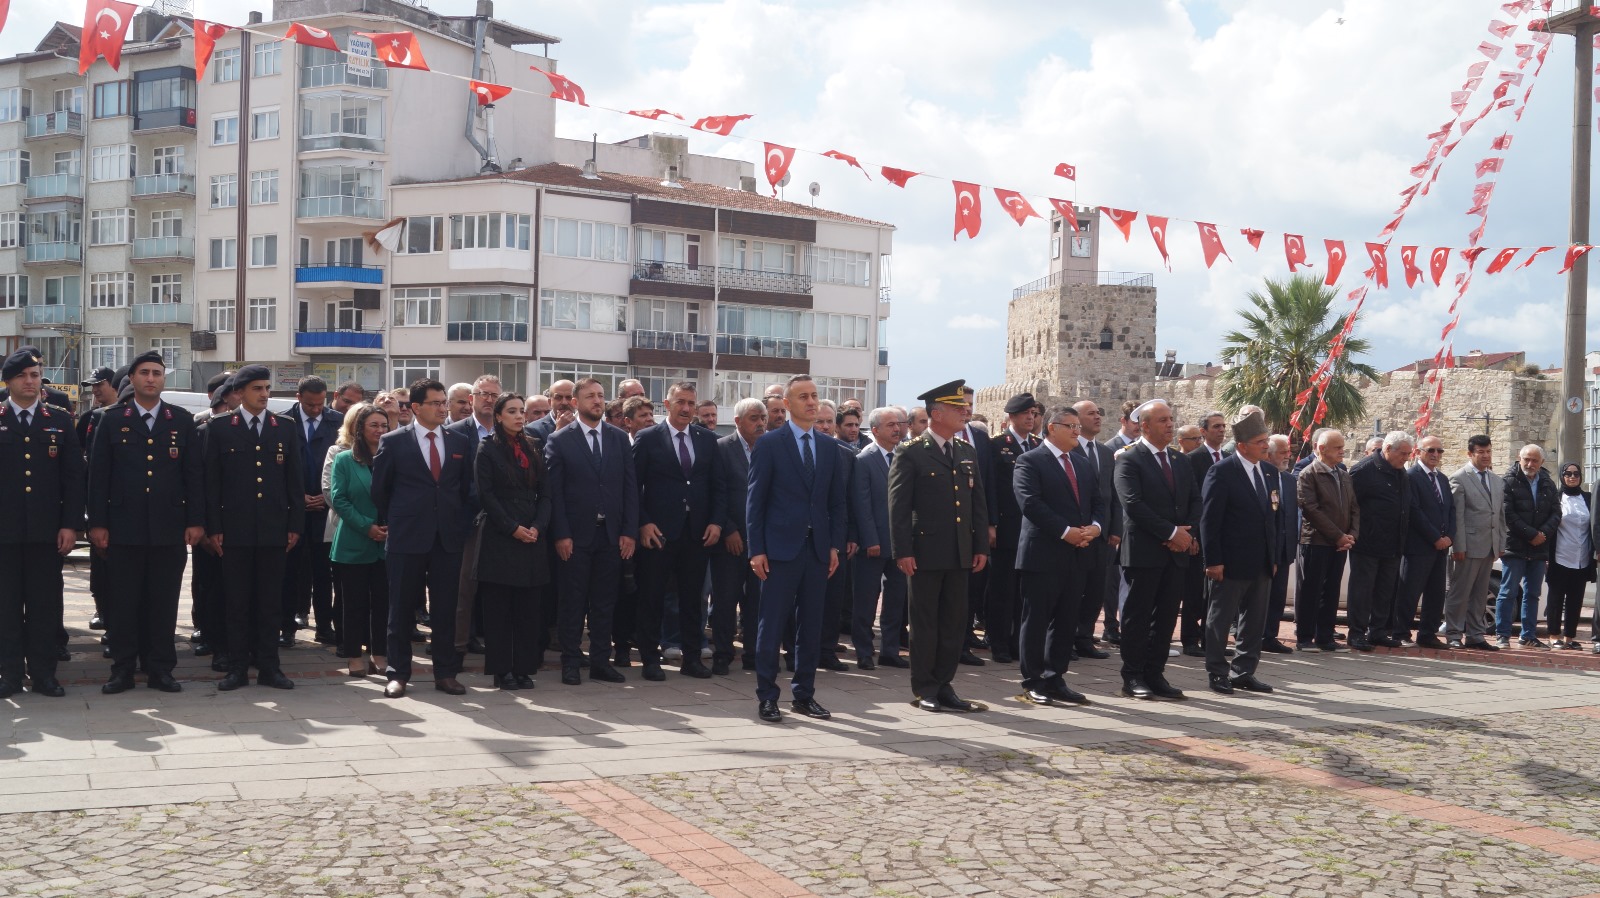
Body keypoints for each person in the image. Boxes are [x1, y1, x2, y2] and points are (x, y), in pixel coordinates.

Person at [88, 350, 205, 694]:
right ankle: (122, 669)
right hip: (124, 528)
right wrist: (97, 523)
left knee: (163, 602)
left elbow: (193, 477)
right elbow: (98, 477)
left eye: (157, 372)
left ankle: (161, 670)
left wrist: (196, 521)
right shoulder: (111, 419)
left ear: (163, 378)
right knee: (124, 603)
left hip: (169, 529)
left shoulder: (181, 420)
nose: (151, 378)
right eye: (144, 373)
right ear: (132, 379)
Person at [748, 374, 847, 723]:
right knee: (771, 624)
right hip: (778, 549)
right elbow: (755, 500)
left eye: (815, 396)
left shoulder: (830, 447)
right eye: (803, 397)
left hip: (817, 550)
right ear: (787, 404)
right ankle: (767, 696)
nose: (811, 402)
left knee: (811, 626)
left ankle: (804, 695)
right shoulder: (770, 444)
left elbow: (836, 503)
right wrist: (756, 549)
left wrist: (834, 545)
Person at [371, 378, 478, 697]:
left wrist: (458, 523)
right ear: (416, 407)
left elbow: (467, 489)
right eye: (436, 403)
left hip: (448, 538)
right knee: (400, 607)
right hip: (407, 537)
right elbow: (381, 491)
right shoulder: (393, 442)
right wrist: (403, 518)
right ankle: (398, 673)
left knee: (445, 608)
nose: (443, 408)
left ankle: (445, 673)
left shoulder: (458, 441)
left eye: (445, 402)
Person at [889, 379, 991, 713]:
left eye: (964, 407)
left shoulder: (965, 451)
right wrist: (902, 551)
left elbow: (977, 503)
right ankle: (925, 688)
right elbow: (899, 507)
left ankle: (945, 684)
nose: (965, 412)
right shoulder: (912, 451)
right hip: (924, 553)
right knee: (925, 624)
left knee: (954, 622)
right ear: (936, 412)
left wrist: (979, 546)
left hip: (960, 552)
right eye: (957, 407)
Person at [203, 365, 305, 692]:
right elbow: (211, 484)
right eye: (257, 388)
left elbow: (294, 482)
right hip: (234, 531)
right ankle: (236, 668)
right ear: (240, 393)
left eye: (266, 388)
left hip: (274, 531)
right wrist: (214, 527)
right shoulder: (219, 428)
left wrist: (294, 525)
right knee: (236, 601)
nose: (264, 394)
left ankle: (269, 667)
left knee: (270, 602)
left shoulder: (285, 427)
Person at [0, 348, 83, 698]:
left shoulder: (59, 419)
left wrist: (70, 525)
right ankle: (9, 675)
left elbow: (73, 479)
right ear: (8, 382)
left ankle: (44, 674)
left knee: (44, 607)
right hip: (4, 533)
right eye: (23, 376)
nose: (30, 382)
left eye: (35, 375)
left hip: (47, 532)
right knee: (5, 607)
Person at [546, 378, 637, 685]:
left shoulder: (617, 438)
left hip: (610, 535)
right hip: (575, 536)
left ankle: (601, 661)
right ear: (575, 402)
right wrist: (561, 534)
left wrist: (629, 531)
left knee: (604, 601)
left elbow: (629, 488)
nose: (597, 401)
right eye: (590, 396)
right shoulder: (560, 440)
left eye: (601, 395)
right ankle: (571, 662)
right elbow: (553, 493)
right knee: (572, 602)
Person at [632, 382, 725, 680]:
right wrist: (643, 522)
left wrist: (716, 522)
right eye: (680, 402)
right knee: (652, 597)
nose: (686, 408)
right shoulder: (647, 438)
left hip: (697, 532)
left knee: (692, 598)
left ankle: (692, 658)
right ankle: (650, 659)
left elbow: (718, 486)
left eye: (691, 403)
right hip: (658, 532)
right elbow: (633, 487)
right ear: (667, 403)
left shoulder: (708, 439)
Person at [1013, 405, 1102, 705]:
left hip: (1078, 553)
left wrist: (1095, 528)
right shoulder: (1030, 461)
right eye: (1071, 426)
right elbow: (1030, 504)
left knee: (1067, 619)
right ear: (1052, 427)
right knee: (1037, 619)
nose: (1078, 432)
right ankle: (1033, 679)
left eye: (1078, 426)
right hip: (1043, 554)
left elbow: (1097, 501)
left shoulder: (1082, 463)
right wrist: (1066, 532)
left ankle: (1056, 677)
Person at [1113, 399, 1197, 700]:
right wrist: (1172, 533)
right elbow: (1133, 504)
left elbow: (1194, 501)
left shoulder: (1179, 460)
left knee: (1165, 617)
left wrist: (1187, 533)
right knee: (1138, 617)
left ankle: (1155, 673)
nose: (1170, 425)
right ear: (1144, 426)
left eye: (1171, 419)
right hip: (1144, 551)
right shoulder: (1129, 459)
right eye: (1162, 420)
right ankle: (1132, 675)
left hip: (1175, 554)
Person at [474, 393, 552, 690]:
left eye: (522, 411)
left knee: (528, 609)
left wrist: (537, 526)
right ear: (498, 416)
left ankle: (523, 667)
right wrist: (512, 528)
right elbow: (486, 495)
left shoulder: (534, 446)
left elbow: (546, 493)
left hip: (532, 534)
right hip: (500, 534)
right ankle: (501, 669)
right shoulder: (487, 448)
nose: (519, 416)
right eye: (512, 411)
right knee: (499, 609)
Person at [1198, 410, 1278, 695]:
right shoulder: (1221, 471)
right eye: (1260, 441)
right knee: (1220, 620)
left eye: (1266, 440)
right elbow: (1210, 521)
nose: (1265, 446)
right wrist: (1214, 560)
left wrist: (1274, 558)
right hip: (1230, 563)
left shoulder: (1268, 471)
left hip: (1261, 562)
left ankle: (1244, 671)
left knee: (1254, 621)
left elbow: (1272, 518)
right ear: (1242, 446)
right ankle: (1217, 671)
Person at [328, 403, 390, 677]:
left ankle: (380, 653)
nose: (379, 430)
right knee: (354, 604)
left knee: (383, 604)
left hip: (388, 544)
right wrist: (367, 527)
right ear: (360, 430)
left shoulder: (393, 456)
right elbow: (339, 498)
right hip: (354, 541)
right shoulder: (344, 459)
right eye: (373, 425)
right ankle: (354, 654)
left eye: (383, 425)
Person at [284, 376, 344, 647]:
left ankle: (324, 626)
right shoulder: (283, 422)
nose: (316, 409)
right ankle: (286, 627)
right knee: (290, 571)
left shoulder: (338, 422)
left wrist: (326, 496)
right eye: (310, 405)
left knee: (324, 571)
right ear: (299, 398)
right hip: (293, 509)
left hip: (326, 508)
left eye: (320, 404)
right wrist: (297, 497)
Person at [852, 406, 910, 669]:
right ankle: (864, 651)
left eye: (898, 424)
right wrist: (870, 539)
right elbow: (861, 505)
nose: (897, 429)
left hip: (900, 544)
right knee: (866, 600)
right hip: (873, 544)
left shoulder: (905, 456)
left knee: (896, 599)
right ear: (875, 430)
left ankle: (890, 651)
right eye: (890, 425)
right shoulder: (865, 459)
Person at [711, 398, 766, 674]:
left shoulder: (770, 448)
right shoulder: (721, 448)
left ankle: (754, 655)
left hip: (761, 542)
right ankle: (722, 653)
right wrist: (728, 528)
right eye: (754, 418)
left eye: (762, 418)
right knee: (724, 601)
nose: (760, 423)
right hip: (730, 540)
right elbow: (715, 493)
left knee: (757, 601)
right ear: (737, 421)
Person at [984, 394, 1039, 664]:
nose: (1031, 417)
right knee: (1002, 590)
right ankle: (999, 643)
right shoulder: (997, 446)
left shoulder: (1039, 446)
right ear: (1012, 416)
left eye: (1034, 413)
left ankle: (1019, 641)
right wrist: (991, 523)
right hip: (1006, 527)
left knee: (1024, 591)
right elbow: (990, 487)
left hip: (1033, 530)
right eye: (1025, 413)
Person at [1346, 431, 1413, 651]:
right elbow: (1350, 506)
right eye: (1403, 453)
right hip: (1367, 543)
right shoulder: (1363, 470)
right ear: (1387, 449)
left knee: (1385, 591)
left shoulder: (1400, 472)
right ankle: (1356, 633)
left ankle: (1378, 631)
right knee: (1362, 591)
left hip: (1393, 543)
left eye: (1408, 454)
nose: (1406, 458)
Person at [1295, 428, 1357, 651]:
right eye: (1338, 447)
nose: (1343, 451)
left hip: (1340, 544)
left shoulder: (1343, 474)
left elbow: (1353, 508)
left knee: (1331, 591)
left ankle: (1325, 636)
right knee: (1311, 590)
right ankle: (1304, 637)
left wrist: (1351, 536)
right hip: (1316, 541)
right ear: (1322, 449)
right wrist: (1338, 536)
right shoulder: (1308, 474)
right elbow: (1311, 510)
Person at [1071, 399, 1122, 656]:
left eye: (1099, 412)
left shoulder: (1103, 452)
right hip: (1074, 534)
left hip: (1101, 534)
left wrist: (1114, 528)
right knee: (1073, 589)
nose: (1098, 417)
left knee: (1095, 589)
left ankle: (1084, 637)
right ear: (1076, 420)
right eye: (1091, 413)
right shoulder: (1069, 450)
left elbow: (1111, 494)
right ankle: (1066, 639)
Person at [1445, 435, 1504, 650]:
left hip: (1488, 547)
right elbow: (1457, 516)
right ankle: (1453, 633)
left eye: (1488, 451)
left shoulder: (1496, 480)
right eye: (1481, 452)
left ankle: (1475, 635)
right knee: (1459, 593)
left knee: (1480, 594)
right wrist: (1457, 546)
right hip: (1467, 547)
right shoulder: (1459, 478)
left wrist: (1500, 544)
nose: (1486, 455)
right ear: (1470, 454)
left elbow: (1499, 516)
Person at [1495, 444, 1557, 648]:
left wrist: (1543, 534)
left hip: (1539, 548)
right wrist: (1531, 534)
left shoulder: (1548, 482)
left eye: (1534, 460)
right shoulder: (1508, 481)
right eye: (1526, 460)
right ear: (1518, 458)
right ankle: (1502, 635)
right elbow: (1507, 513)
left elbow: (1557, 513)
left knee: (1533, 593)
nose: (1530, 464)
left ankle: (1528, 635)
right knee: (1508, 592)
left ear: (1542, 463)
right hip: (1515, 546)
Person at [1398, 435, 1455, 649]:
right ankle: (1401, 632)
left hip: (1441, 547)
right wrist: (1435, 537)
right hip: (1418, 545)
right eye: (1431, 450)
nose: (1435, 455)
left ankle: (1427, 633)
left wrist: (1450, 536)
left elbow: (1450, 509)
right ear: (1418, 451)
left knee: (1435, 593)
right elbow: (1414, 510)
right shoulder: (1411, 476)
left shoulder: (1442, 478)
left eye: (1439, 451)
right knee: (1410, 592)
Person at [76, 365, 120, 638]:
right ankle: (101, 610)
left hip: (123, 504)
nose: (95, 390)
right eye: (92, 385)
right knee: (100, 564)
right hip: (97, 500)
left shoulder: (120, 416)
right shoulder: (90, 418)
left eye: (99, 384)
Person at [1545, 462, 1592, 650]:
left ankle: (1570, 637)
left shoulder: (1588, 498)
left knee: (1576, 598)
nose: (1572, 477)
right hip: (1560, 555)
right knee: (1556, 597)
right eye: (1567, 473)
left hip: (1582, 557)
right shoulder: (1555, 498)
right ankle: (1553, 634)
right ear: (1562, 476)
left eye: (1576, 474)